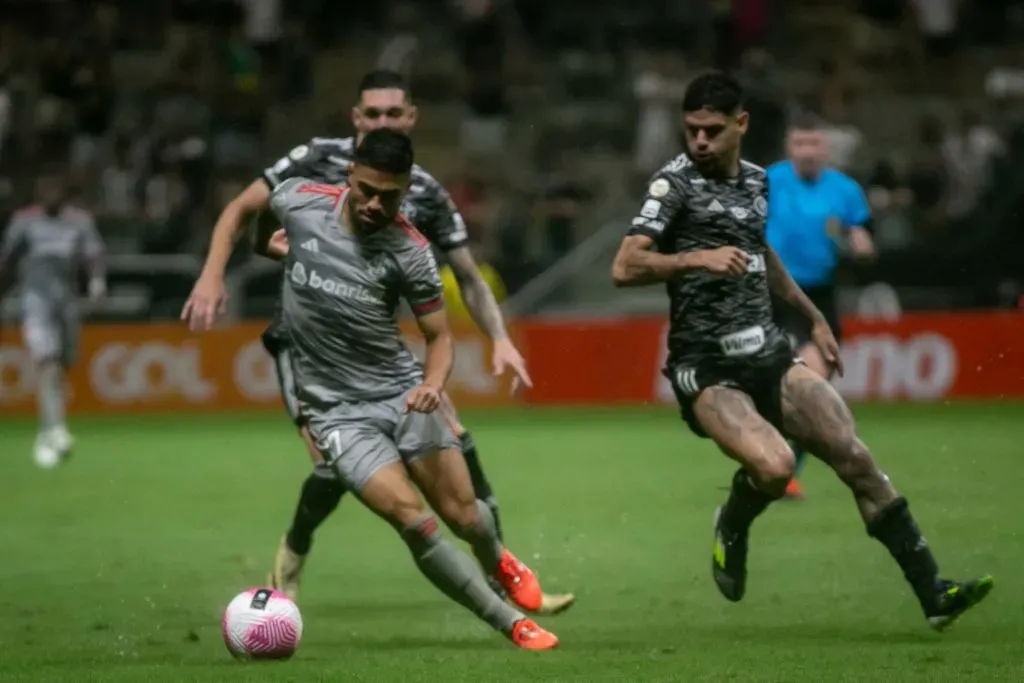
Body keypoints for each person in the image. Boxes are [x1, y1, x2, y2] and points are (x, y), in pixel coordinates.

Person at [610, 71, 992, 630]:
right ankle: (732, 522)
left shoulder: (757, 182)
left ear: (741, 124)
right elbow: (624, 266)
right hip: (706, 367)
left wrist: (814, 319)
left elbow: (761, 253)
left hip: (768, 351)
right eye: (692, 130)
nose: (700, 142)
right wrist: (697, 258)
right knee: (775, 467)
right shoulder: (675, 185)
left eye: (712, 130)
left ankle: (933, 593)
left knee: (855, 457)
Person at [185, 69, 575, 614]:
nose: (382, 122)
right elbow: (244, 210)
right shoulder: (314, 159)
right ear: (356, 118)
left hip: (380, 354)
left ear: (411, 118)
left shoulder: (424, 191)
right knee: (335, 464)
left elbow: (467, 273)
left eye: (393, 113)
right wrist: (213, 274)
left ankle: (502, 575)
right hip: (308, 347)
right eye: (372, 114)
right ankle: (293, 552)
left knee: (456, 441)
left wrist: (501, 337)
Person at [766, 117, 875, 499]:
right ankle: (774, 466)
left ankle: (781, 470)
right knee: (798, 386)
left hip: (820, 298)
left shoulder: (845, 190)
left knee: (815, 391)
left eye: (814, 144)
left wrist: (861, 245)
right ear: (789, 148)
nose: (808, 152)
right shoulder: (767, 181)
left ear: (825, 149)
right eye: (800, 144)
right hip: (774, 294)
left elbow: (859, 232)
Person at [0, 168, 105, 468]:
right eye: (45, 189)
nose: (51, 195)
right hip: (35, 302)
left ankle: (50, 427)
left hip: (67, 303)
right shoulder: (24, 221)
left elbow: (94, 255)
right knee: (47, 361)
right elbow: (7, 260)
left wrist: (97, 282)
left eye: (55, 188)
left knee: (63, 364)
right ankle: (54, 428)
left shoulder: (79, 222)